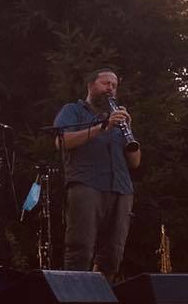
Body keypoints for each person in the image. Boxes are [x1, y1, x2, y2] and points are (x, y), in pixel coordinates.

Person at [53, 68, 141, 280]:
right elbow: (61, 141)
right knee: (80, 249)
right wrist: (103, 127)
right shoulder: (73, 110)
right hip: (87, 184)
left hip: (121, 188)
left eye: (114, 85)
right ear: (90, 85)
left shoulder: (118, 118)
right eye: (105, 83)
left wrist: (128, 130)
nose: (110, 89)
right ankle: (75, 295)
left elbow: (135, 162)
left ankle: (102, 296)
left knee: (113, 254)